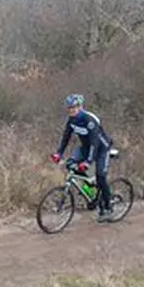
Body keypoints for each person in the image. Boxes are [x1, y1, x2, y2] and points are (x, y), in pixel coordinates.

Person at [50, 94, 115, 222]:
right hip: (85, 147)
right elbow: (65, 137)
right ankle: (90, 190)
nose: (71, 110)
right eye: (69, 108)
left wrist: (88, 162)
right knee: (70, 165)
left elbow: (94, 143)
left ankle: (108, 207)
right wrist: (59, 153)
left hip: (101, 148)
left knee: (101, 176)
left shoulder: (89, 120)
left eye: (74, 107)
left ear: (80, 107)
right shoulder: (71, 120)